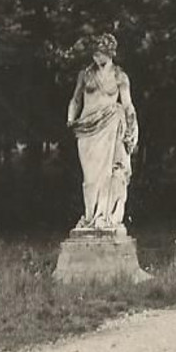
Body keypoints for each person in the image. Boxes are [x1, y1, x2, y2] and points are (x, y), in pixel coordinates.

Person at [66, 33, 139, 232]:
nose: (96, 57)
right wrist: (71, 118)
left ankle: (105, 217)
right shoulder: (85, 74)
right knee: (89, 178)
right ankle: (90, 215)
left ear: (110, 53)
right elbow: (76, 99)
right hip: (86, 128)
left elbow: (127, 104)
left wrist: (132, 125)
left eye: (100, 53)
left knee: (108, 174)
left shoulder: (119, 76)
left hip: (110, 125)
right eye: (94, 53)